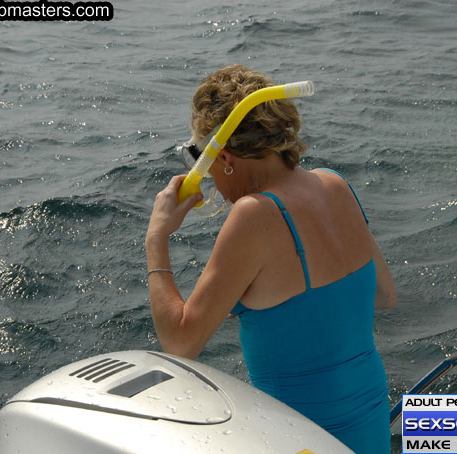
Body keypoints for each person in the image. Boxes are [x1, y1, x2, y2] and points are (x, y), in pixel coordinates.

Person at [145, 64, 396, 453]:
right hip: (370, 430)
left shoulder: (253, 214)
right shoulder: (334, 184)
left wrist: (156, 237)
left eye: (201, 160)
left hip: (305, 442)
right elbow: (383, 294)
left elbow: (180, 342)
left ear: (224, 156)